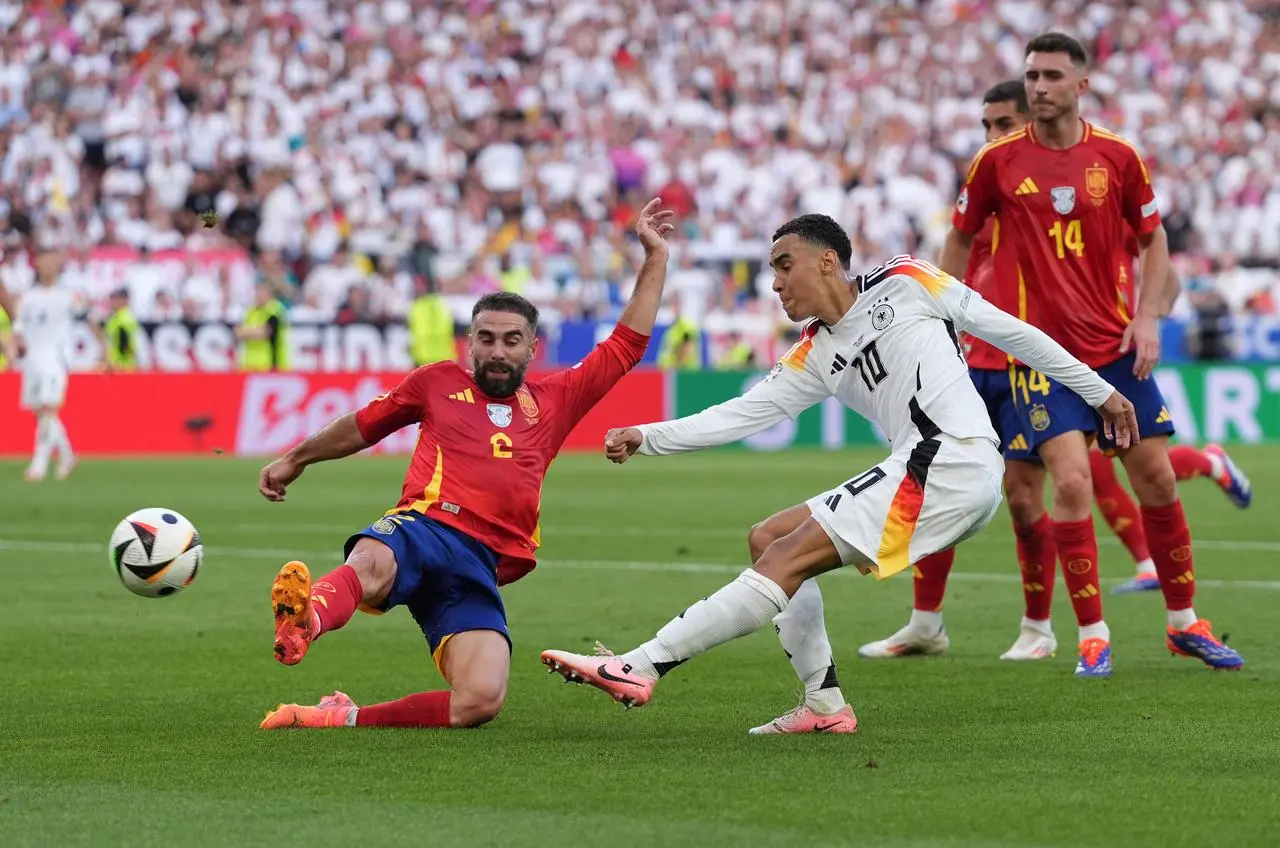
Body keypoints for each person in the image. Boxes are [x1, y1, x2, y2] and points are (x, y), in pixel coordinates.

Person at [539, 215, 1136, 728]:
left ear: (828, 261)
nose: (774, 283)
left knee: (786, 558)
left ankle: (639, 665)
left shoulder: (906, 280)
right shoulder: (814, 351)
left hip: (951, 457)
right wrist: (648, 436)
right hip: (923, 465)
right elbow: (742, 415)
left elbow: (1011, 332)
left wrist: (1101, 392)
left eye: (783, 265)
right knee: (768, 538)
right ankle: (823, 705)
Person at [257, 199, 676, 730]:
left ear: (531, 348)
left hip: (481, 564)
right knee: (373, 561)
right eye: (486, 339)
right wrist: (296, 459)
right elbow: (364, 424)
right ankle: (306, 619)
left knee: (480, 699)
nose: (497, 351)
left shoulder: (555, 399)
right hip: (425, 526)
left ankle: (337, 717)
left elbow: (626, 346)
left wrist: (655, 257)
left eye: (511, 340)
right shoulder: (436, 382)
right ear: (470, 342)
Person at [938, 32, 1243, 672]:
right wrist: (952, 317)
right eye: (1032, 75)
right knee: (1072, 483)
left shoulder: (1119, 156)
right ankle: (1093, 635)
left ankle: (1185, 622)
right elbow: (960, 243)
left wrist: (1150, 317)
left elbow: (1154, 241)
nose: (1039, 87)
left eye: (1051, 75)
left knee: (1156, 478)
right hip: (1039, 359)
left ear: (1082, 84)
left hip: (1116, 350)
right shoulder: (996, 162)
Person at [13, 252, 78, 482]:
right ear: (37, 265)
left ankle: (38, 464)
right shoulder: (28, 297)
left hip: (55, 360)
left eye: (52, 262)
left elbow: (87, 317)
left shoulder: (67, 295)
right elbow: (19, 329)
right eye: (44, 262)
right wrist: (17, 344)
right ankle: (68, 455)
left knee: (49, 410)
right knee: (41, 413)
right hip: (33, 362)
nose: (48, 266)